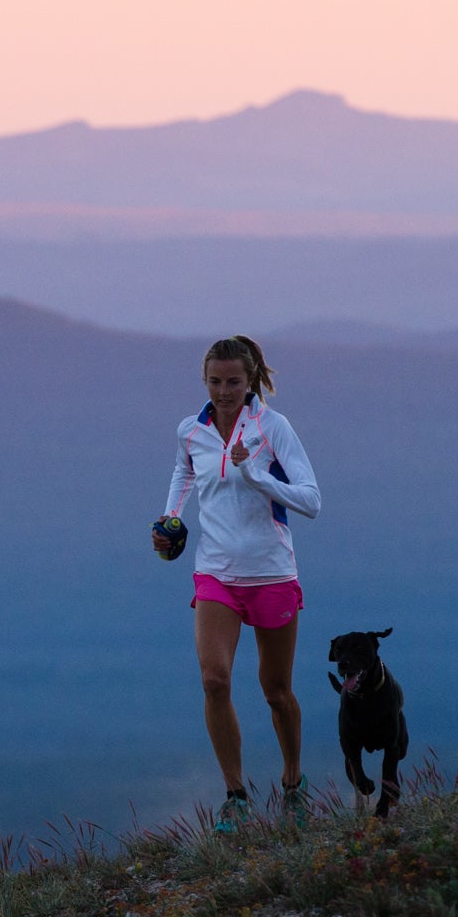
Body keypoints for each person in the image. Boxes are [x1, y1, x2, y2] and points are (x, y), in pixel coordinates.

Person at [154, 336, 320, 832]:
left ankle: (293, 783)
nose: (224, 392)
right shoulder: (192, 430)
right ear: (204, 380)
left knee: (276, 691)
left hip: (271, 574)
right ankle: (236, 797)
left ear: (250, 381)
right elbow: (184, 473)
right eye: (215, 381)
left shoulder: (273, 427)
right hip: (216, 573)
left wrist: (256, 474)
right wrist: (169, 519)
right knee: (214, 679)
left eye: (233, 382)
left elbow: (311, 500)